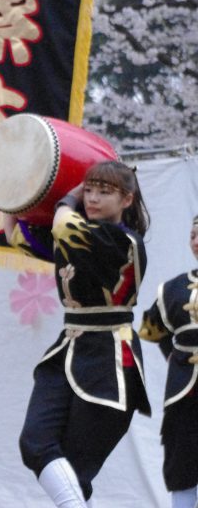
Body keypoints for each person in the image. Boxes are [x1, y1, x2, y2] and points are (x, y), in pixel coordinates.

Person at [3, 161, 150, 508]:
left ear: (127, 200)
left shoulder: (122, 240)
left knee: (76, 473)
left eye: (104, 191)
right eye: (90, 189)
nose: (93, 197)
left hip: (110, 362)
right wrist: (9, 188)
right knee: (35, 444)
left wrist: (68, 196)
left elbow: (65, 226)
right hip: (67, 351)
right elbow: (15, 233)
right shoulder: (76, 234)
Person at [138, 215, 198, 508]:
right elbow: (151, 329)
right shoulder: (172, 289)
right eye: (193, 235)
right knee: (182, 460)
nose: (197, 242)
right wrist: (174, 356)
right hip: (183, 393)